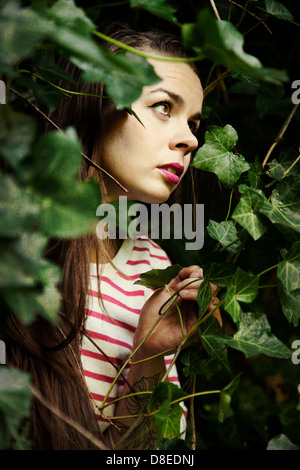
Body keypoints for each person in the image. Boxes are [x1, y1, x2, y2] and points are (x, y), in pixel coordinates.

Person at [5, 22, 220, 450]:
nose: (190, 139)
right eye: (163, 107)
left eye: (193, 122)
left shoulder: (154, 270)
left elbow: (138, 455)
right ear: (97, 101)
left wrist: (149, 355)